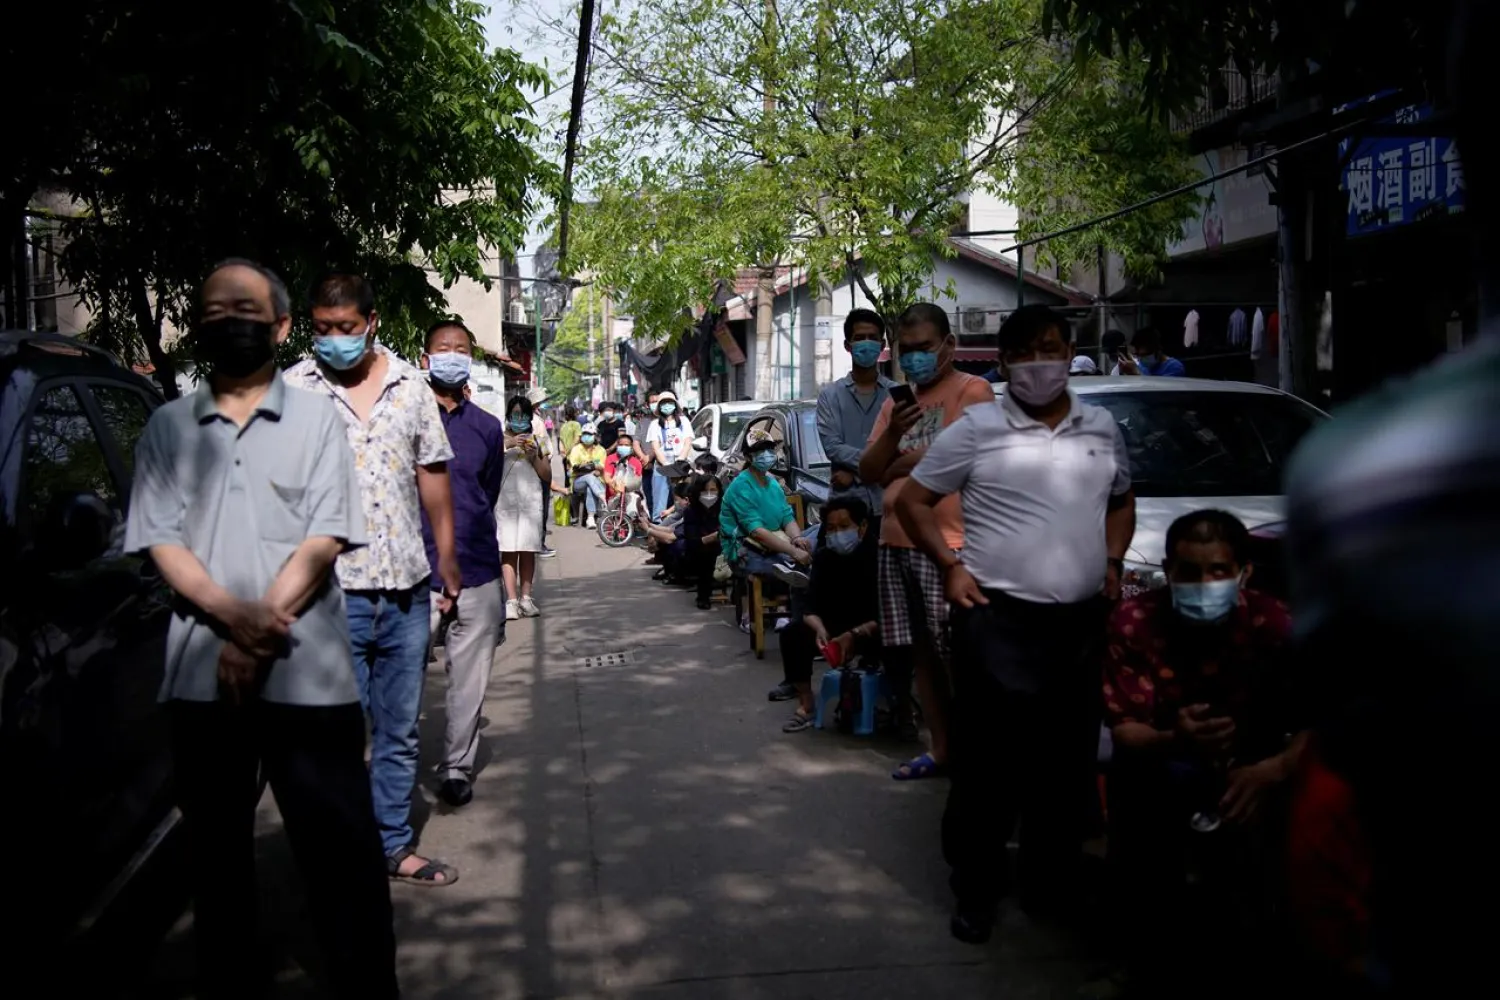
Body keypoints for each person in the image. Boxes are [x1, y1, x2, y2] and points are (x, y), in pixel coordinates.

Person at [126, 259, 398, 996]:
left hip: (310, 679)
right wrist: (232, 615)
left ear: (280, 326)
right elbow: (161, 540)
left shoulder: (316, 421)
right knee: (215, 867)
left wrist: (255, 629)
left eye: (245, 310)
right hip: (200, 682)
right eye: (214, 311)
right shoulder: (167, 428)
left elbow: (325, 537)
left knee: (341, 857)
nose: (229, 322)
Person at [895, 303, 1136, 944]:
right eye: (1024, 354)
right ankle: (975, 890)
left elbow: (1121, 500)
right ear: (1003, 362)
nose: (1038, 365)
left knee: (1064, 765)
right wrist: (949, 565)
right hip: (996, 621)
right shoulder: (976, 430)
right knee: (988, 766)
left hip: (1079, 627)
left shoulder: (1102, 427)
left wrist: (1112, 559)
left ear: (1069, 352)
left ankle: (1048, 885)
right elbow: (915, 501)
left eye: (1050, 350)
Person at [285, 273, 461, 887]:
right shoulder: (293, 391)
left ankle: (391, 845)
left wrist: (448, 559)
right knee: (336, 732)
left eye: (347, 328)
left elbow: (432, 476)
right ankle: (342, 849)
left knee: (399, 729)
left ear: (372, 322)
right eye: (323, 329)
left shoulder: (412, 387)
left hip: (407, 587)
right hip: (329, 595)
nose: (334, 340)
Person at [1102, 510, 1301, 993]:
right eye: (1188, 572)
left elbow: (1327, 720)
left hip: (1256, 763)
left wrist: (1271, 770)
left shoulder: (1276, 625)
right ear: (1168, 572)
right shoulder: (1135, 621)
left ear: (1243, 573)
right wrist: (1176, 738)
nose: (1204, 583)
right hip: (1163, 757)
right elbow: (1127, 728)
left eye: (1218, 571)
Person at [858, 302, 993, 780]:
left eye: (924, 348)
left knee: (960, 656)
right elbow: (870, 472)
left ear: (948, 347)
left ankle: (979, 756)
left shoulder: (973, 391)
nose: (914, 359)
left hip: (948, 545)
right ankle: (942, 749)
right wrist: (898, 440)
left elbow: (959, 459)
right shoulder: (898, 404)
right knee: (921, 655)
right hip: (895, 542)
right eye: (907, 350)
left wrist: (906, 461)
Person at [419, 321, 507, 809]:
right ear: (426, 358)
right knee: (401, 675)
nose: (452, 356)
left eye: (461, 350)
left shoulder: (487, 428)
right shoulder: (407, 418)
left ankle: (456, 766)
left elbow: (486, 493)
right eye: (443, 349)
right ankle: (394, 762)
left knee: (469, 679)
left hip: (477, 567)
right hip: (415, 571)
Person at [773, 497, 881, 733]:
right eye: (831, 529)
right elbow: (810, 607)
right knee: (792, 634)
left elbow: (886, 612)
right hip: (833, 624)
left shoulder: (879, 556)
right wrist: (820, 629)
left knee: (900, 641)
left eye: (844, 527)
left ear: (862, 527)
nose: (837, 534)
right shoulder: (824, 557)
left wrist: (855, 634)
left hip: (872, 627)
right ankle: (806, 704)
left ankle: (902, 708)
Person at [720, 430, 813, 629]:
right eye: (760, 451)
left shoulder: (773, 484)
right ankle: (780, 611)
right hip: (746, 548)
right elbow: (756, 531)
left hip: (776, 542)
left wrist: (797, 538)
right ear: (748, 457)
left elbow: (787, 517)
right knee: (787, 562)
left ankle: (785, 612)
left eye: (769, 450)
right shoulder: (741, 486)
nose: (767, 455)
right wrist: (792, 551)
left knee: (816, 537)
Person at [816, 309, 896, 536]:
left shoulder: (896, 394)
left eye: (872, 338)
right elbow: (833, 448)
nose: (866, 344)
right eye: (859, 338)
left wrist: (857, 474)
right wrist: (874, 466)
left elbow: (902, 451)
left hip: (889, 508)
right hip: (844, 513)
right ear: (847, 345)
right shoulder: (830, 395)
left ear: (882, 345)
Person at [497, 394, 552, 619]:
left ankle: (526, 598)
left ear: (530, 417)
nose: (519, 419)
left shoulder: (538, 440)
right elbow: (484, 464)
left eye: (523, 415)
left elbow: (546, 475)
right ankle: (511, 600)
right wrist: (507, 444)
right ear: (509, 415)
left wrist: (534, 456)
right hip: (505, 501)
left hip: (530, 501)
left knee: (528, 549)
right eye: (515, 414)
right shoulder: (497, 438)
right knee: (508, 550)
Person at [644, 390, 692, 522]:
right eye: (663, 403)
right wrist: (665, 464)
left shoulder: (684, 421)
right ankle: (657, 531)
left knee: (681, 499)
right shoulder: (654, 424)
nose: (667, 406)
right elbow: (656, 446)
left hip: (680, 466)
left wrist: (680, 462)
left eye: (669, 403)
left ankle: (680, 528)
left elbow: (688, 442)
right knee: (659, 500)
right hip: (661, 466)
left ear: (675, 405)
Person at [527, 386, 557, 559]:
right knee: (540, 508)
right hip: (539, 466)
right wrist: (545, 458)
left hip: (537, 465)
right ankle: (538, 543)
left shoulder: (535, 418)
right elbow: (542, 445)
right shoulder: (534, 421)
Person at [567, 422, 609, 528]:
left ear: (595, 436)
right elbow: (575, 467)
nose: (587, 437)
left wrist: (591, 466)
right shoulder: (576, 449)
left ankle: (590, 518)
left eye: (590, 434)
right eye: (585, 434)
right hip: (578, 482)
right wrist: (591, 468)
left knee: (591, 486)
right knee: (590, 477)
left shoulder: (601, 450)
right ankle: (602, 498)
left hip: (597, 480)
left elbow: (602, 467)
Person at [1116, 326, 1187, 377]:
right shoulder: (1142, 366)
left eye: (1144, 355)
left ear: (1158, 350)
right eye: (1138, 355)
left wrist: (1137, 372)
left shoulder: (1174, 367)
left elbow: (1160, 393)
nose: (1141, 359)